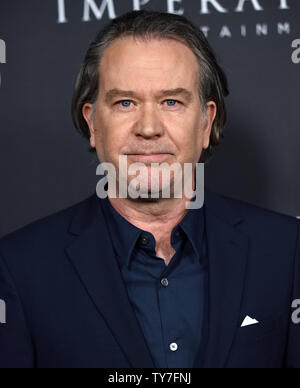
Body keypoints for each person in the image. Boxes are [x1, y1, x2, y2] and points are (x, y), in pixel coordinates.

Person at [0, 10, 299, 369]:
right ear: (93, 123)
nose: (148, 128)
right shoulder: (19, 268)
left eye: (171, 101)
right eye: (125, 102)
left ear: (206, 123)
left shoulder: (287, 252)